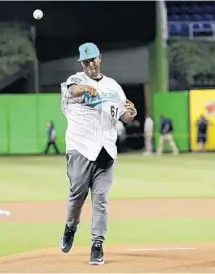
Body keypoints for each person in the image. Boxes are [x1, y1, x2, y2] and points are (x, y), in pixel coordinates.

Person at [59, 42, 137, 265]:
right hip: (80, 149)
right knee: (76, 198)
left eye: (93, 59)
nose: (90, 64)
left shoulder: (113, 86)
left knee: (101, 200)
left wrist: (131, 113)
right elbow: (72, 90)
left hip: (106, 150)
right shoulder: (76, 80)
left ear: (100, 58)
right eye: (86, 61)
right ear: (81, 63)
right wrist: (84, 88)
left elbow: (125, 114)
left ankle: (97, 245)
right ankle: (70, 228)